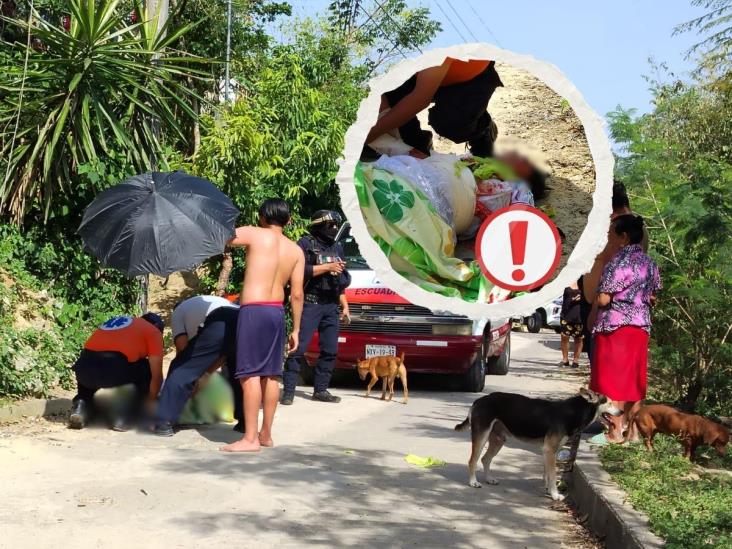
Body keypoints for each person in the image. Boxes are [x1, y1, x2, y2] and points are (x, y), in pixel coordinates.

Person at [220, 198, 305, 453]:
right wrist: (297, 329)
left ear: (262, 218)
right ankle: (265, 434)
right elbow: (297, 294)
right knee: (270, 375)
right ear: (289, 221)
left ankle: (250, 439)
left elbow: (222, 238)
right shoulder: (296, 251)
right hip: (277, 313)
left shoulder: (255, 234)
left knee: (249, 375)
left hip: (254, 311)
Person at [589, 215, 660, 444]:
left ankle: (613, 432)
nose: (609, 238)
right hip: (640, 328)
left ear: (624, 237)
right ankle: (633, 432)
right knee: (633, 380)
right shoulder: (649, 263)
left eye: (612, 234)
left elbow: (602, 299)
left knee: (610, 380)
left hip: (615, 326)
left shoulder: (618, 263)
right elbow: (652, 296)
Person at [366, 58, 503, 158]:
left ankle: (482, 131)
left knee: (450, 122)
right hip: (426, 73)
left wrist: (368, 135)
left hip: (469, 76)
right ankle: (416, 146)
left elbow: (419, 99)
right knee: (393, 97)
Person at [281, 211, 352, 405]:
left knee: (330, 350)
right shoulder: (305, 244)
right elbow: (296, 270)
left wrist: (344, 306)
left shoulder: (337, 246)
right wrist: (325, 268)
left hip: (331, 305)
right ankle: (288, 391)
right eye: (331, 225)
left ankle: (321, 390)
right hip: (310, 303)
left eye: (336, 225)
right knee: (298, 348)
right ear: (319, 225)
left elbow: (340, 280)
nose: (334, 229)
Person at [68, 312, 165, 431]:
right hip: (113, 370)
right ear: (157, 327)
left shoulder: (118, 321)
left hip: (83, 368)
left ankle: (81, 406)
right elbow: (156, 375)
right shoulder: (153, 331)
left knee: (92, 363)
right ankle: (124, 417)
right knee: (146, 368)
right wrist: (151, 401)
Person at [153, 306, 240, 436]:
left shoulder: (178, 312)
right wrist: (205, 373)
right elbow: (223, 355)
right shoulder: (196, 309)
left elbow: (183, 352)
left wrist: (196, 376)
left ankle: (164, 421)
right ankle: (244, 422)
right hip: (245, 317)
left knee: (180, 366)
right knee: (239, 371)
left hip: (222, 318)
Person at [559, 281, 584, 368]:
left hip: (579, 315)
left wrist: (581, 298)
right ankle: (565, 360)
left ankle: (575, 361)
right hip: (566, 314)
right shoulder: (566, 280)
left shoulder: (583, 282)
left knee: (578, 339)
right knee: (564, 337)